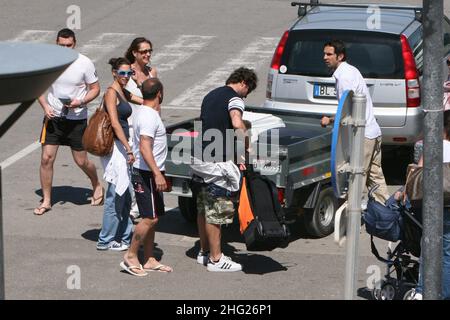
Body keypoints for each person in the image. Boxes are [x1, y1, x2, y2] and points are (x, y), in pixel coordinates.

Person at [193, 67, 257, 272]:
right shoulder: (235, 98)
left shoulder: (211, 95)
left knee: (203, 207)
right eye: (248, 91)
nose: (246, 96)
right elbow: (237, 122)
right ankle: (216, 259)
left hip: (199, 158)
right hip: (217, 162)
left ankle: (204, 252)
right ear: (244, 84)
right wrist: (246, 144)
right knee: (218, 209)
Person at [35, 28, 102, 215]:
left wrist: (81, 101)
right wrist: (45, 106)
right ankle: (47, 200)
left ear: (75, 44)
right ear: (56, 44)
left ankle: (96, 184)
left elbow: (95, 88)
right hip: (53, 117)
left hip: (76, 118)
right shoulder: (49, 61)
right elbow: (37, 85)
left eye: (69, 45)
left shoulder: (84, 63)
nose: (65, 48)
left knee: (81, 161)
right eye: (62, 45)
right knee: (46, 159)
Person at [320, 40, 389, 205]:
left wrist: (329, 120)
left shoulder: (344, 77)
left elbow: (349, 111)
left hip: (363, 135)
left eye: (329, 54)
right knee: (375, 175)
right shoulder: (349, 71)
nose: (325, 57)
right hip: (373, 131)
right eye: (324, 54)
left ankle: (353, 217)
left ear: (340, 56)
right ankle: (389, 210)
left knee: (356, 178)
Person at [120, 78, 172, 276]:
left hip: (150, 172)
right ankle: (131, 256)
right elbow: (144, 147)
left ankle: (149, 259)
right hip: (147, 173)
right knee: (149, 218)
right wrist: (157, 174)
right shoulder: (149, 116)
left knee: (154, 218)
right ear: (160, 93)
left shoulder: (145, 112)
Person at [96, 58, 135, 251]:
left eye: (129, 73)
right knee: (114, 194)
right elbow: (115, 122)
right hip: (116, 149)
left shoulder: (123, 90)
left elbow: (146, 99)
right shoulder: (112, 93)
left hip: (122, 148)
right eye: (122, 73)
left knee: (125, 195)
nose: (126, 77)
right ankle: (106, 239)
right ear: (114, 73)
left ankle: (124, 236)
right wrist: (128, 147)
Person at [411, 109, 450, 300]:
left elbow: (418, 172)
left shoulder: (434, 145)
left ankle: (421, 291)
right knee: (448, 253)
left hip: (434, 207)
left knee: (428, 248)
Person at [124, 37, 158, 221]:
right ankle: (133, 205)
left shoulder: (152, 71)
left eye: (149, 51)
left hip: (150, 126)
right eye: (143, 51)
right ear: (134, 53)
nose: (147, 54)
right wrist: (140, 88)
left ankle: (142, 202)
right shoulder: (127, 72)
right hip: (131, 126)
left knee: (146, 165)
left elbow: (158, 97)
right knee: (132, 166)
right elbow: (125, 94)